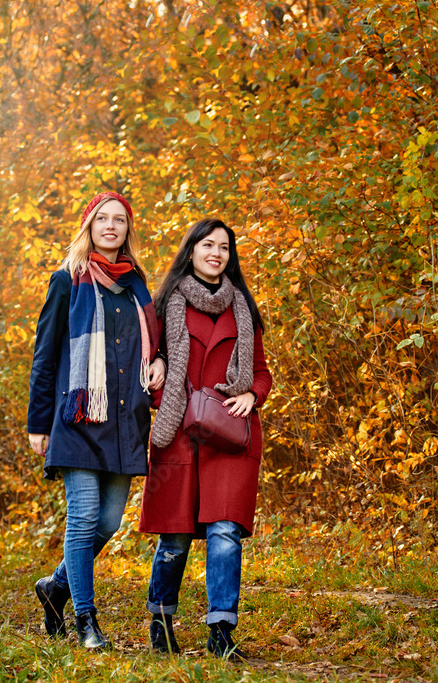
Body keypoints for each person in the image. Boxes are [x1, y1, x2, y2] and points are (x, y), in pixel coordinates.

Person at [27, 191, 165, 650]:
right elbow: (45, 356)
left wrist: (161, 361)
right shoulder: (67, 280)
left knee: (107, 523)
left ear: (128, 230)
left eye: (119, 220)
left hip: (126, 421)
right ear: (88, 226)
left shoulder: (137, 285)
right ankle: (87, 620)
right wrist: (38, 423)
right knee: (83, 519)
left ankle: (55, 588)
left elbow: (150, 344)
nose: (111, 226)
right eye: (102, 219)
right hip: (79, 417)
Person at [139, 218, 272, 659]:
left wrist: (252, 395)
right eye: (207, 245)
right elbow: (149, 364)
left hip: (230, 436)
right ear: (191, 251)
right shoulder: (165, 306)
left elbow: (261, 374)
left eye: (224, 247)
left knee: (224, 532)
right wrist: (161, 383)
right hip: (178, 432)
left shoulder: (244, 311)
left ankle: (221, 630)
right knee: (174, 537)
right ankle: (161, 620)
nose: (216, 253)